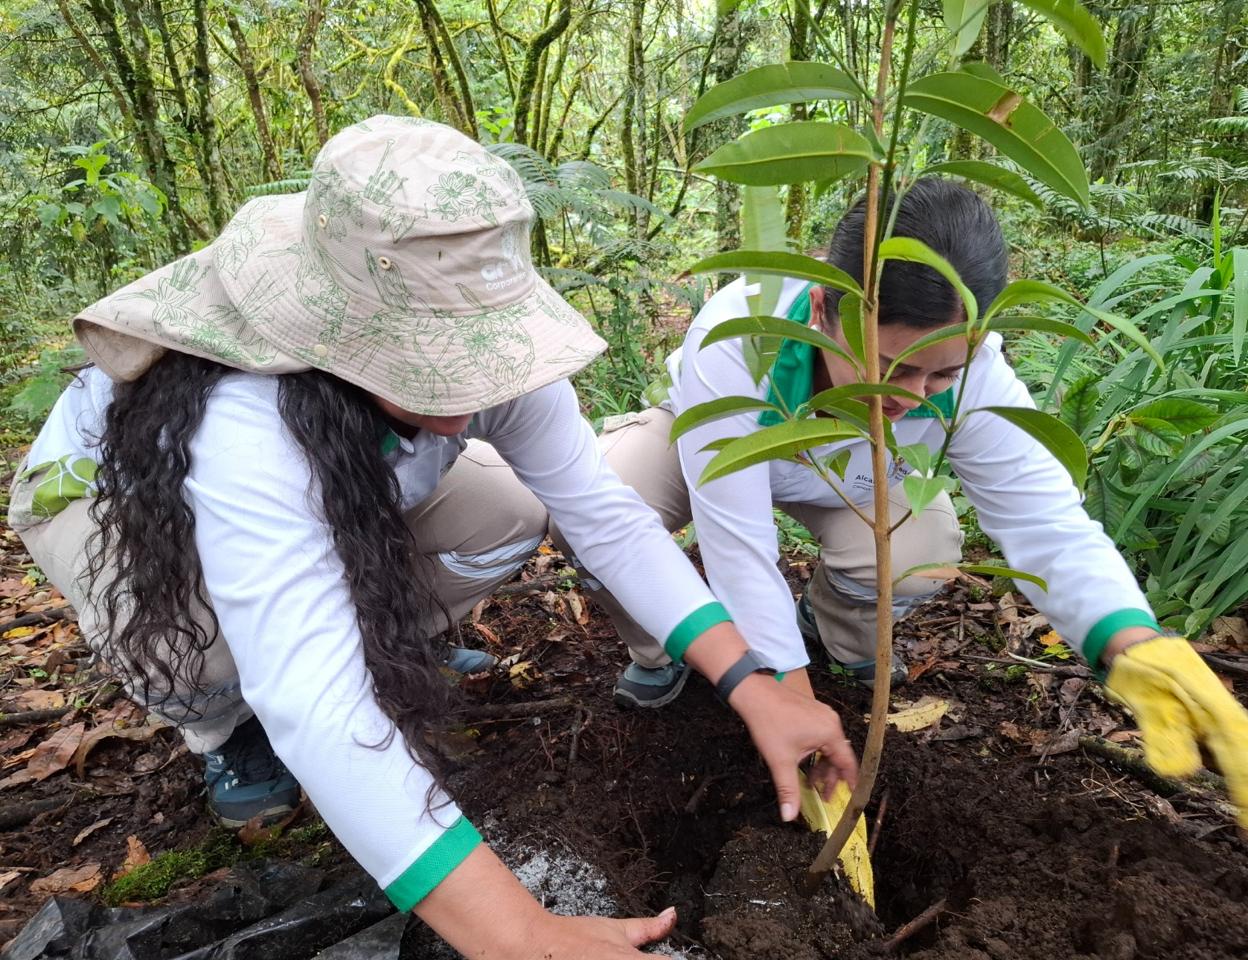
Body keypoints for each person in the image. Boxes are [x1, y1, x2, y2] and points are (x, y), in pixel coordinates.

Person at [8, 116, 857, 959]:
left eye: (473, 360)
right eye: (427, 364)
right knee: (204, 647)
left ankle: (380, 651)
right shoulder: (247, 419)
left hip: (352, 484)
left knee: (505, 509)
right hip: (125, 519)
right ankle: (226, 734)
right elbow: (315, 705)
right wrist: (520, 934)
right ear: (340, 332)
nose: (462, 397)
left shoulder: (492, 343)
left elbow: (604, 514)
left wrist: (754, 684)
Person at [560, 178, 1248, 860]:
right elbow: (738, 546)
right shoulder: (742, 335)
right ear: (823, 310)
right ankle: (663, 655)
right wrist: (789, 700)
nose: (912, 394)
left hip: (854, 480)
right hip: (716, 447)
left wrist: (1132, 639)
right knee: (606, 501)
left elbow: (1043, 516)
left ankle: (836, 634)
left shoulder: (977, 376)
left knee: (924, 550)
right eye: (888, 367)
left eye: (940, 375)